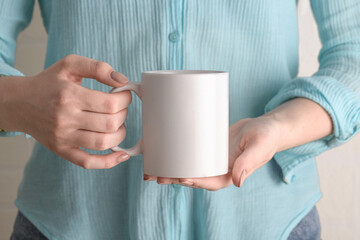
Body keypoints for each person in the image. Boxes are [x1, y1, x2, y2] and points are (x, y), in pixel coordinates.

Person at [1, 0, 359, 239]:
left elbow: (354, 55)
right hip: (68, 222)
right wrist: (25, 101)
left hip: (270, 223)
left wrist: (279, 127)